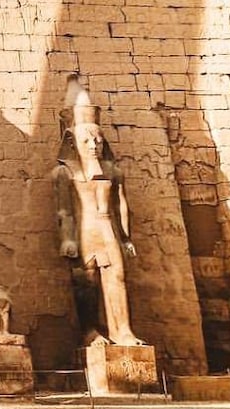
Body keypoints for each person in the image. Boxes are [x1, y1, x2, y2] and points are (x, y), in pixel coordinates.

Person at [53, 77, 143, 346]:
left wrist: (126, 237)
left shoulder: (113, 171)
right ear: (73, 143)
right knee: (86, 281)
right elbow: (64, 211)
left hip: (108, 227)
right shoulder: (65, 172)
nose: (94, 146)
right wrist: (67, 238)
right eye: (87, 141)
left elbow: (122, 205)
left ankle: (122, 330)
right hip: (85, 228)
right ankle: (90, 330)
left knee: (117, 276)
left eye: (97, 140)